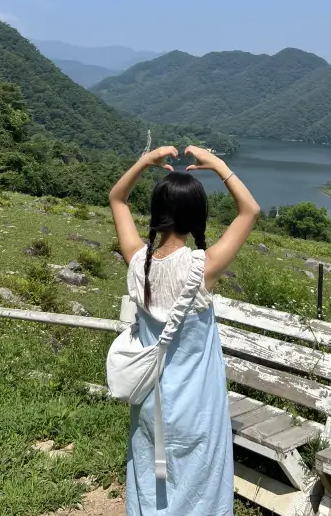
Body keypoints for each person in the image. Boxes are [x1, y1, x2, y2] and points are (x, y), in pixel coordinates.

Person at [110, 145, 261, 516]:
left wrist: (145, 161)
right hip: (197, 408)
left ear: (157, 214)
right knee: (200, 491)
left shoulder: (137, 261)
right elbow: (251, 210)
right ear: (197, 217)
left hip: (150, 402)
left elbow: (117, 199)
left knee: (149, 477)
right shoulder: (203, 268)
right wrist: (219, 165)